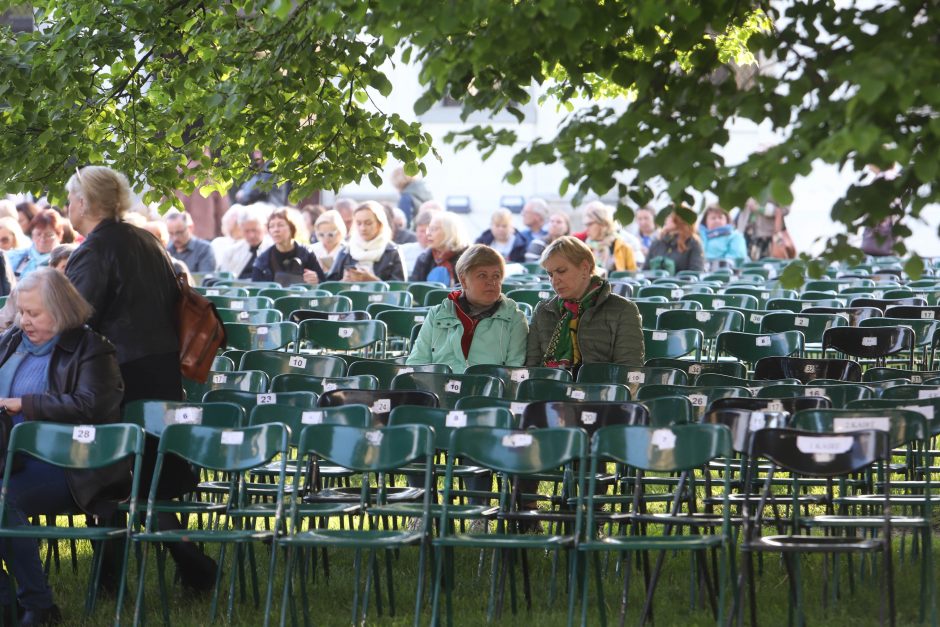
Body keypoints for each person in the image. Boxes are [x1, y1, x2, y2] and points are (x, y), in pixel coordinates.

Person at [64, 165, 217, 594]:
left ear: (84, 203)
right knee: (154, 473)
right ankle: (193, 568)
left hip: (118, 374)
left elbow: (74, 316)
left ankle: (111, 579)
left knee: (110, 471)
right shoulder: (147, 240)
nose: (66, 206)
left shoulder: (95, 249)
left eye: (69, 198)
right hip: (160, 369)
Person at [0, 268, 127, 626]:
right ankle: (6, 600)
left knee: (2, 501)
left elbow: (91, 406)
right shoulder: (12, 342)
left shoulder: (93, 349)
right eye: (21, 312)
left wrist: (22, 403)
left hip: (76, 465)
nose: (24, 321)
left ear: (61, 310)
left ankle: (39, 606)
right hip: (14, 458)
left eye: (33, 313)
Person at [527, 236, 644, 369]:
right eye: (550, 274)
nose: (554, 281)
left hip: (600, 389)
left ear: (585, 268)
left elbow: (629, 371)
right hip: (549, 388)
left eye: (561, 271)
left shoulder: (623, 310)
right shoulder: (543, 310)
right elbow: (531, 369)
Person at [408, 244, 527, 372]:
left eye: (496, 276)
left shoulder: (515, 317)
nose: (491, 282)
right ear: (463, 280)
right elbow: (417, 363)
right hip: (438, 388)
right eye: (482, 275)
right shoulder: (437, 314)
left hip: (490, 390)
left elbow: (514, 371)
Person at [326, 201, 405, 282]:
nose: (363, 228)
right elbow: (330, 286)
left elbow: (400, 287)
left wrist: (373, 281)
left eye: (368, 223)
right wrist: (343, 282)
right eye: (358, 223)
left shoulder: (392, 252)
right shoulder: (345, 251)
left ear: (379, 224)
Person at [252, 208, 324, 286]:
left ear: (292, 227)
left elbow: (323, 285)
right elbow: (256, 291)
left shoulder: (306, 253)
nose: (275, 230)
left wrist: (316, 280)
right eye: (271, 226)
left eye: (280, 225)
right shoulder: (262, 260)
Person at [409, 211, 469, 285]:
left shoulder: (468, 260)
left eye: (434, 229)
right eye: (429, 229)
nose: (428, 234)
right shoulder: (423, 259)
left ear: (450, 231)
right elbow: (414, 290)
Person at [216, 203, 272, 279]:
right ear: (241, 229)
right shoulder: (232, 252)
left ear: (264, 227)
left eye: (254, 230)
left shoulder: (273, 250)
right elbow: (223, 278)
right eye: (246, 231)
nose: (251, 235)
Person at [8, 209, 65, 279]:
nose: (42, 239)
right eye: (38, 234)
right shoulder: (15, 256)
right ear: (32, 234)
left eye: (49, 235)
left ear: (59, 236)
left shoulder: (64, 260)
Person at [581, 203, 637, 273]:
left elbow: (633, 276)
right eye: (586, 225)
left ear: (602, 224)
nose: (587, 229)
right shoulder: (584, 249)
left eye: (590, 224)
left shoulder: (624, 247)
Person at [399, 209, 434, 277]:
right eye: (422, 231)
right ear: (416, 231)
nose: (426, 235)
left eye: (430, 230)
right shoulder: (402, 250)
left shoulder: (438, 255)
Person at [310, 210, 347, 275]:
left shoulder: (347, 249)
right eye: (321, 234)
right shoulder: (311, 249)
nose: (326, 238)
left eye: (330, 234)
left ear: (339, 232)